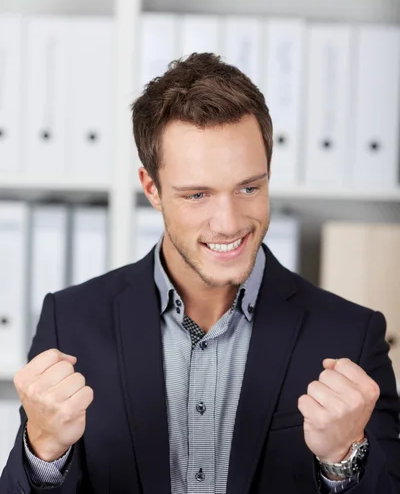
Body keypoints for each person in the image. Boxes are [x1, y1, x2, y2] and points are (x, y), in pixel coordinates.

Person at [1, 53, 399, 494]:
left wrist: (344, 460)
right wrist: (43, 451)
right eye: (197, 195)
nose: (228, 223)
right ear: (151, 188)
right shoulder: (71, 321)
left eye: (249, 187)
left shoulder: (352, 336)